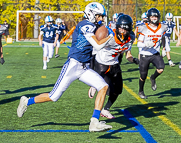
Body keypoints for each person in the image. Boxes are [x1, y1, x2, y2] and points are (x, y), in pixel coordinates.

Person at [17, 2, 114, 132]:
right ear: (91, 14)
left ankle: (94, 122)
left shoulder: (93, 25)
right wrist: (110, 36)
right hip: (73, 66)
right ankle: (26, 101)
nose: (101, 19)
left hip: (84, 67)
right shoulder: (86, 25)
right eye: (99, 16)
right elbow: (97, 45)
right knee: (54, 96)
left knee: (103, 86)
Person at [88, 14, 139, 119]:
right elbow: (95, 47)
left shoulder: (130, 38)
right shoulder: (109, 35)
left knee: (117, 90)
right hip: (101, 63)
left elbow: (128, 55)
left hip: (114, 64)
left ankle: (105, 109)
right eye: (120, 28)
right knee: (104, 88)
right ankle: (95, 115)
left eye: (125, 28)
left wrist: (134, 60)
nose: (122, 31)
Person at [137, 8, 168, 99]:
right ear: (149, 17)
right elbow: (138, 43)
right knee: (143, 76)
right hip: (144, 54)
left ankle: (153, 77)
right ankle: (141, 91)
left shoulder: (162, 27)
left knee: (161, 69)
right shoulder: (144, 28)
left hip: (155, 53)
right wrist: (145, 44)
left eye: (156, 16)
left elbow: (163, 38)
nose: (154, 18)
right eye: (152, 16)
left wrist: (164, 48)